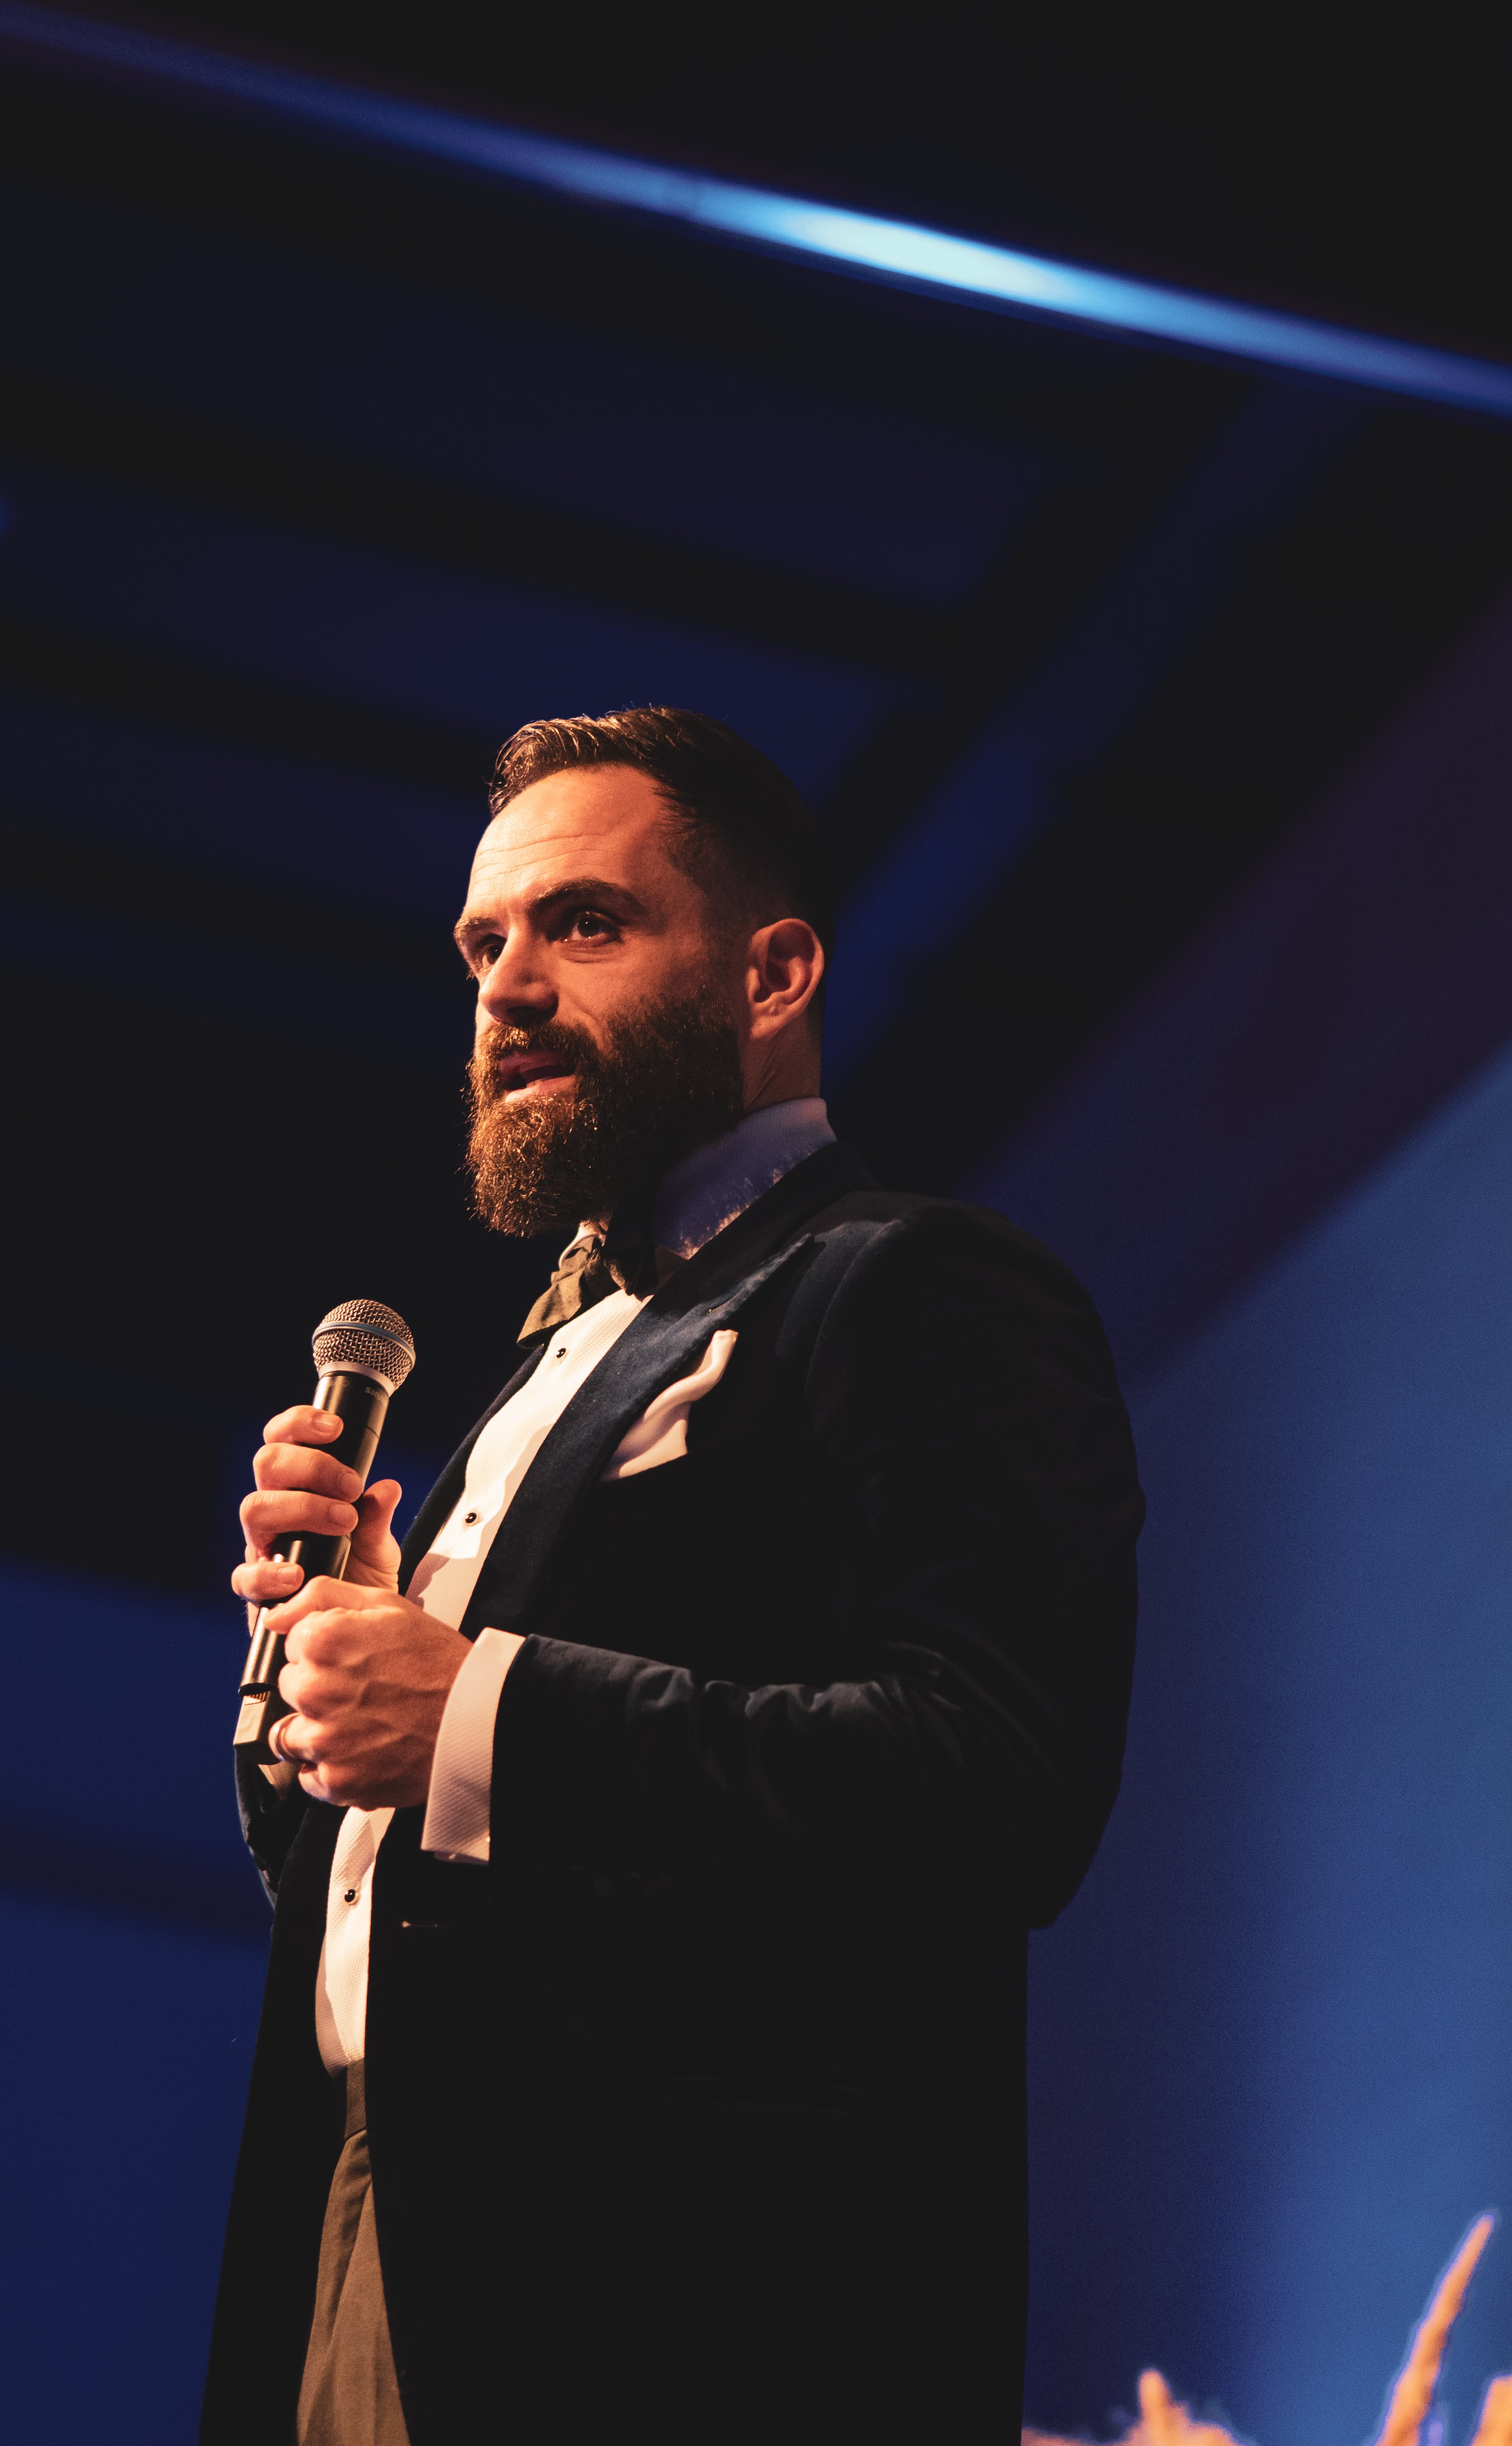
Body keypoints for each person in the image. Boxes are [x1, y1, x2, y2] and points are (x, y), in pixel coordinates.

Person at [199, 707, 1145, 2445]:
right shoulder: (536, 1371)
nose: (507, 984)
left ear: (773, 974)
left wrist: (472, 1704)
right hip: (379, 2226)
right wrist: (332, 1698)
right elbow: (413, 1893)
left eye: (586, 925)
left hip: (684, 2313)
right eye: (484, 942)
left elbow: (994, 1780)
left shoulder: (908, 1286)